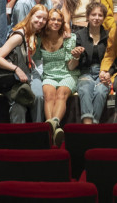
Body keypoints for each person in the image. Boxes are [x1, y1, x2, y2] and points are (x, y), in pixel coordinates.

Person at [0, 4, 48, 124]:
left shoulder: (32, 33)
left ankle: (38, 130)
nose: (41, 21)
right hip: (12, 78)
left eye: (44, 19)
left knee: (38, 97)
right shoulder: (18, 35)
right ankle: (19, 138)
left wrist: (27, 59)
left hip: (26, 73)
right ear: (31, 16)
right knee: (19, 105)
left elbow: (20, 52)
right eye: (38, 17)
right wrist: (16, 68)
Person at [35, 8, 79, 145]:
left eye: (59, 20)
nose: (56, 22)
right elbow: (35, 58)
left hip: (67, 73)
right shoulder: (39, 39)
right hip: (49, 74)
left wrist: (76, 57)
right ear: (47, 21)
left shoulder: (69, 38)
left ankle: (52, 126)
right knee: (49, 96)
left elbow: (71, 66)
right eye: (52, 19)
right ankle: (54, 131)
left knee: (61, 95)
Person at [72, 2, 109, 124]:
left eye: (100, 15)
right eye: (93, 15)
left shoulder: (109, 35)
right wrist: (77, 55)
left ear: (104, 18)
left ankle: (93, 126)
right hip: (85, 71)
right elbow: (75, 62)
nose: (97, 18)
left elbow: (113, 59)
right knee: (85, 90)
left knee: (101, 91)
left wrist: (109, 73)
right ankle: (88, 127)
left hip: (103, 72)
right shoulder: (79, 35)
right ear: (88, 16)